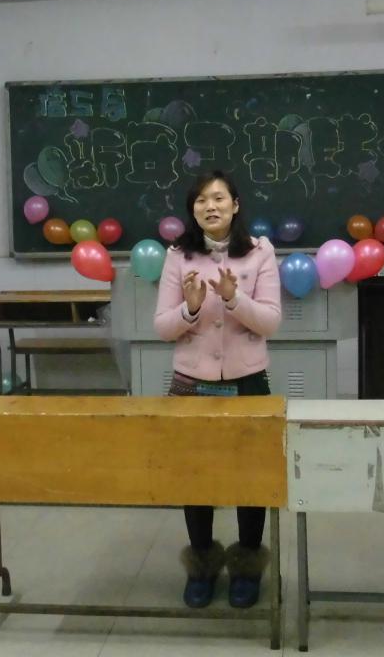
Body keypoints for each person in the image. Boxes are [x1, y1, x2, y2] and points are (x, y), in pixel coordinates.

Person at [153, 170, 282, 609]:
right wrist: (190, 309)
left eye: (219, 198)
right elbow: (162, 327)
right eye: (201, 200)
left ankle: (247, 567)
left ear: (235, 205)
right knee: (196, 476)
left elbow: (270, 321)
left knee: (251, 477)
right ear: (193, 210)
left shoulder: (260, 252)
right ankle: (202, 566)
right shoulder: (179, 256)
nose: (210, 206)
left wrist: (233, 299)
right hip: (193, 383)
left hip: (248, 381)